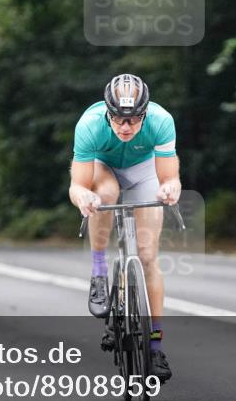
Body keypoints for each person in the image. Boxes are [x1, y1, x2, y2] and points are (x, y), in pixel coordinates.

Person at [68, 73, 181, 381]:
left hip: (144, 170)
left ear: (145, 114)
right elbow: (77, 185)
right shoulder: (89, 124)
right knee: (105, 195)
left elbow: (170, 178)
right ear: (108, 112)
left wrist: (170, 189)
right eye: (118, 119)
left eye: (134, 120)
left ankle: (155, 347)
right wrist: (84, 197)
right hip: (103, 167)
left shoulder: (161, 120)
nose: (126, 127)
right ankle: (99, 270)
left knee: (147, 258)